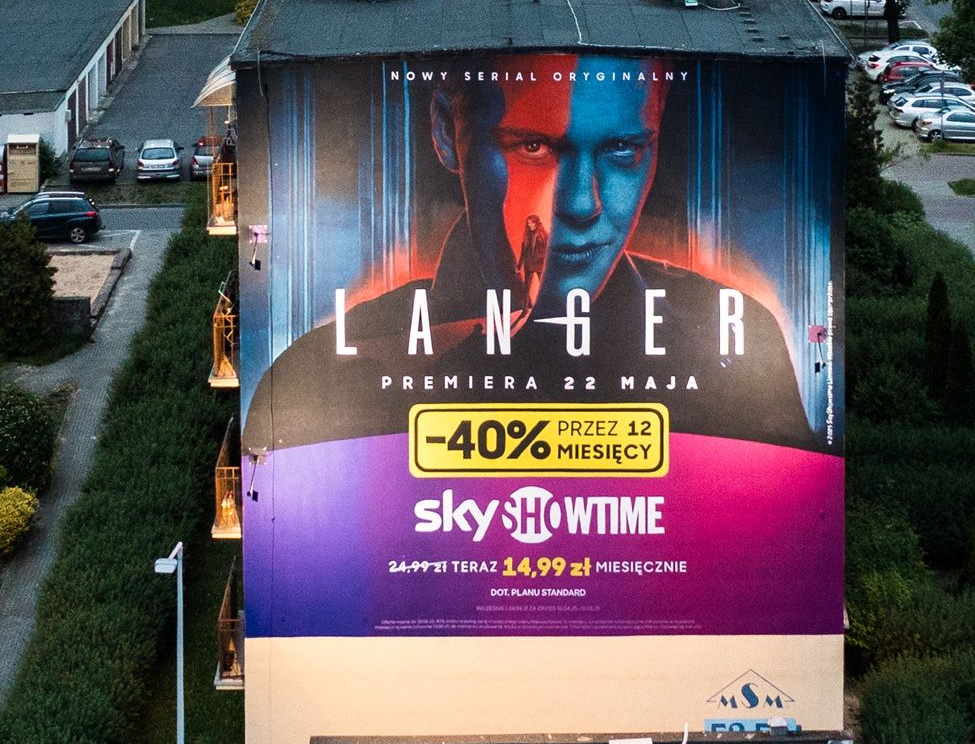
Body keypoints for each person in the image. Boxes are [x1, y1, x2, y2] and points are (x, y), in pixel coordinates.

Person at [247, 53, 814, 451]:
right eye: (534, 147)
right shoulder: (317, 374)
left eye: (622, 149)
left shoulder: (734, 339)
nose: (582, 204)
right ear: (447, 132)